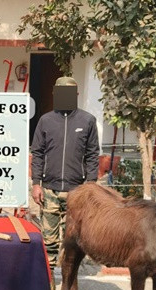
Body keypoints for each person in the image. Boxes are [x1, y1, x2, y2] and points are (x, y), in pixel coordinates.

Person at [30, 76, 100, 270]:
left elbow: (93, 154)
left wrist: (91, 185)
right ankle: (48, 279)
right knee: (48, 240)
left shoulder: (87, 121)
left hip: (75, 193)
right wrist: (36, 183)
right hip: (50, 190)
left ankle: (70, 284)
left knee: (73, 243)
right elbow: (37, 153)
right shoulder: (46, 121)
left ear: (76, 95)